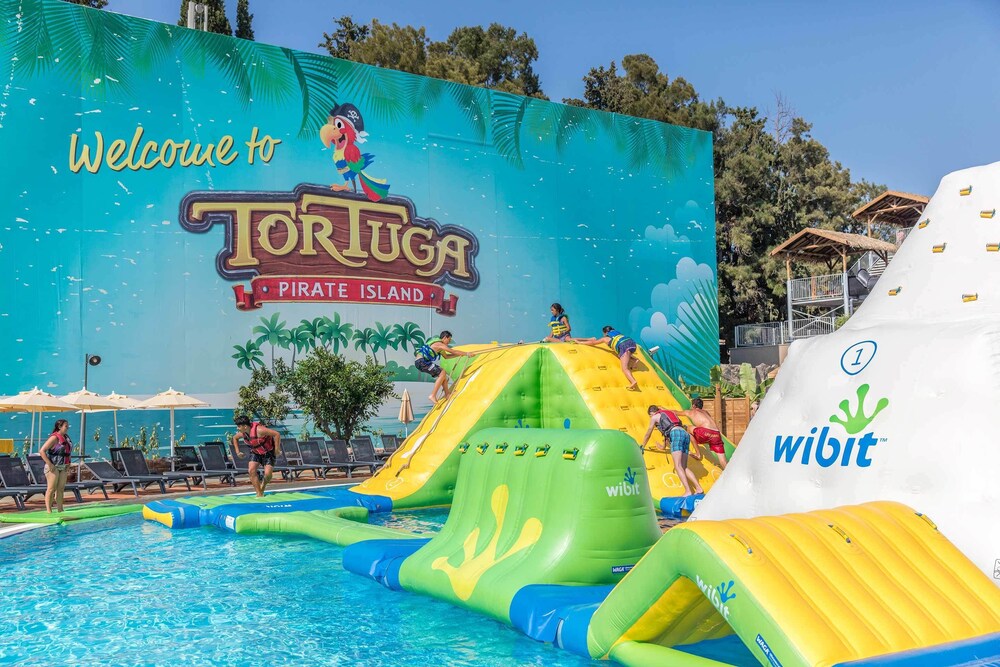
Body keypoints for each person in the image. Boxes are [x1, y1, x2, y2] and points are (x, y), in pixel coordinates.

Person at [641, 405, 704, 497]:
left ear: (652, 413)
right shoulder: (669, 413)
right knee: (684, 467)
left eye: (650, 416)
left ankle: (688, 491)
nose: (651, 418)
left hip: (676, 433)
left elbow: (648, 433)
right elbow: (667, 432)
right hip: (685, 434)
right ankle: (698, 488)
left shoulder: (655, 417)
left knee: (677, 466)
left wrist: (642, 446)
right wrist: (663, 446)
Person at [414, 331, 476, 404]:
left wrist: (459, 355)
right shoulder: (439, 344)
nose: (449, 342)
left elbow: (446, 356)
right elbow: (453, 351)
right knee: (442, 373)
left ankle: (447, 394)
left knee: (443, 375)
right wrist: (467, 354)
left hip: (422, 362)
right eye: (449, 340)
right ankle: (432, 395)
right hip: (421, 362)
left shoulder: (440, 347)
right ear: (444, 337)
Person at [232, 416, 282, 497]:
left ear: (245, 426)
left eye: (239, 426)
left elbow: (276, 434)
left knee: (268, 475)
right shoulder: (243, 433)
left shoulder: (260, 430)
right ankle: (259, 493)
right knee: (251, 470)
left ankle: (263, 486)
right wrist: (238, 452)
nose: (237, 428)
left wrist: (277, 450)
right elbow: (235, 438)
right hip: (255, 453)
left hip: (268, 453)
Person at [575, 326, 639, 389]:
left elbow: (593, 342)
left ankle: (633, 381)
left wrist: (580, 342)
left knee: (624, 368)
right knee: (624, 353)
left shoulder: (605, 338)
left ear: (605, 332)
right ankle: (634, 359)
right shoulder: (618, 333)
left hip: (623, 346)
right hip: (632, 344)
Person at [679, 397, 728, 470]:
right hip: (716, 434)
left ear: (693, 406)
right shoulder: (706, 412)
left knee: (687, 428)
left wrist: (662, 409)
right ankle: (730, 473)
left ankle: (698, 454)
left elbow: (675, 412)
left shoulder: (691, 412)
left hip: (705, 433)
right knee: (723, 460)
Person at [38, 419, 72, 514]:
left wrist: (69, 462)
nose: (67, 428)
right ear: (59, 427)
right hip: (53, 467)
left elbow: (67, 452)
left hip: (63, 466)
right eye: (66, 426)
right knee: (51, 488)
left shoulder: (66, 438)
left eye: (68, 426)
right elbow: (42, 451)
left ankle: (60, 509)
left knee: (60, 489)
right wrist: (49, 464)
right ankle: (49, 510)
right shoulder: (54, 438)